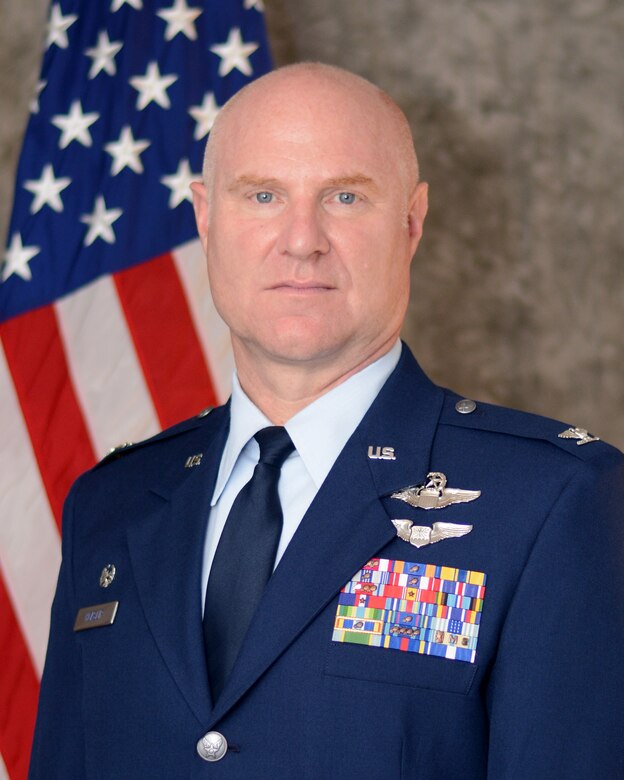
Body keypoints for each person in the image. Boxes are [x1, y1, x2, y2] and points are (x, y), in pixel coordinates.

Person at [29, 63, 624, 779]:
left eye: (345, 196)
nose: (302, 239)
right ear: (205, 217)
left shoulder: (552, 501)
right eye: (263, 195)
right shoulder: (112, 504)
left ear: (412, 220)